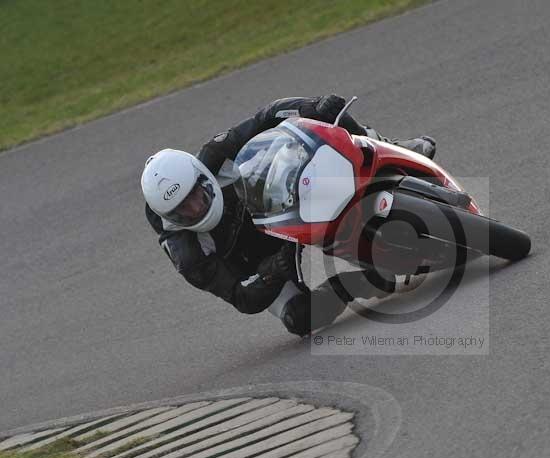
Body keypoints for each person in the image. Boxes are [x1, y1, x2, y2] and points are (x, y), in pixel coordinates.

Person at [141, 94, 436, 335]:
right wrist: (272, 271)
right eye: (183, 211)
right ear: (171, 218)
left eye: (196, 195)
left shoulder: (216, 155)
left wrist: (312, 107)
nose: (195, 209)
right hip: (259, 258)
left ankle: (393, 148)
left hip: (278, 201)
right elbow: (241, 298)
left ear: (202, 176)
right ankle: (360, 282)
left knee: (328, 120)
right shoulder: (187, 254)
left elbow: (268, 115)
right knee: (300, 318)